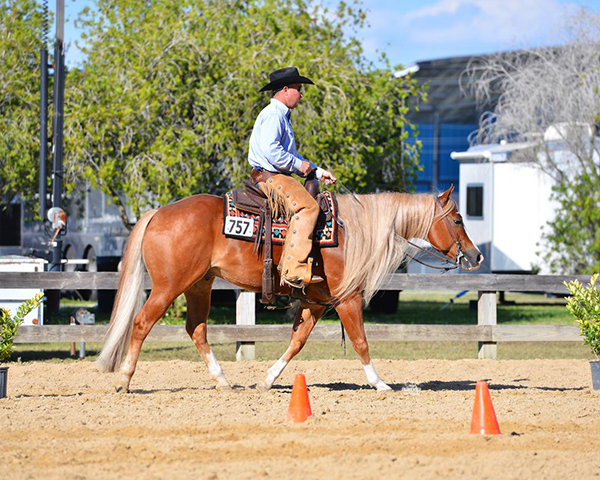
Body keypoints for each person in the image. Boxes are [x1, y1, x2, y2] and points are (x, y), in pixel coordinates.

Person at [248, 67, 337, 289]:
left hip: (275, 174)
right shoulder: (274, 115)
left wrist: (317, 171)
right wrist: (299, 164)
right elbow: (272, 151)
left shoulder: (280, 116)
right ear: (285, 90)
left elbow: (290, 155)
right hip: (271, 177)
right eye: (298, 89)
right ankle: (293, 268)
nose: (301, 94)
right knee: (309, 208)